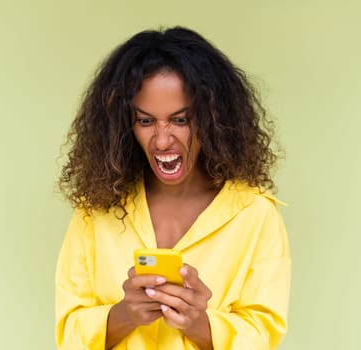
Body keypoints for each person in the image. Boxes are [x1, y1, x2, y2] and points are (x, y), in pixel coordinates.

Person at [55, 26, 290, 350]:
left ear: (213, 119)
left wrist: (199, 324)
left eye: (181, 120)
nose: (163, 140)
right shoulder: (94, 211)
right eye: (146, 121)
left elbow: (263, 336)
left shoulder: (255, 215)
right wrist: (125, 314)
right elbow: (69, 334)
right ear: (125, 125)